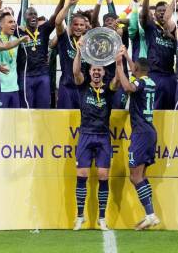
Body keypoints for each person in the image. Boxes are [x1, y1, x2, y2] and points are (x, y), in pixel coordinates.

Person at [71, 40, 119, 231]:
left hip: (103, 136)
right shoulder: (83, 86)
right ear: (90, 72)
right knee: (81, 175)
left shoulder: (108, 90)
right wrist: (78, 52)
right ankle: (80, 216)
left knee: (103, 175)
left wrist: (119, 60)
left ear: (103, 72)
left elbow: (117, 80)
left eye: (99, 70)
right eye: (94, 70)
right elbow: (76, 72)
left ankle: (102, 218)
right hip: (85, 135)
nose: (96, 72)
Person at [115, 48, 160, 231]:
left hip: (141, 133)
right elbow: (136, 71)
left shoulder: (139, 82)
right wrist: (127, 56)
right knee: (141, 176)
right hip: (149, 132)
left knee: (135, 177)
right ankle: (151, 214)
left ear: (136, 70)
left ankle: (150, 215)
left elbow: (128, 87)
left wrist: (119, 66)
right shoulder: (151, 82)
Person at [16, 0, 66, 109]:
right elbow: (11, 20)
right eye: (30, 14)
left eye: (35, 14)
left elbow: (55, 15)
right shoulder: (19, 32)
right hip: (26, 76)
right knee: (27, 109)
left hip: (42, 75)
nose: (33, 16)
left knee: (43, 108)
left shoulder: (44, 30)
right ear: (25, 18)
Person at [139, 0, 178, 110]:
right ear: (154, 14)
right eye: (159, 11)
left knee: (171, 111)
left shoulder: (174, 31)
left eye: (165, 11)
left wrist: (172, 37)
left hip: (170, 76)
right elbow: (144, 14)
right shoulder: (151, 27)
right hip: (155, 75)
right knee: (154, 111)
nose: (162, 13)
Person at [54, 0, 89, 109]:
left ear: (85, 27)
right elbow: (58, 22)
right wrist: (69, 4)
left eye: (81, 25)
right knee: (64, 118)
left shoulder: (89, 43)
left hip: (83, 88)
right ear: (71, 26)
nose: (78, 27)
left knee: (82, 118)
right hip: (66, 87)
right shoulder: (65, 39)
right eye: (76, 24)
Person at [0, 11, 30, 108]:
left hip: (14, 87)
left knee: (15, 117)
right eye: (10, 22)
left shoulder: (15, 39)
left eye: (14, 22)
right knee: (1, 117)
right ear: (1, 24)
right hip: (0, 88)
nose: (14, 24)